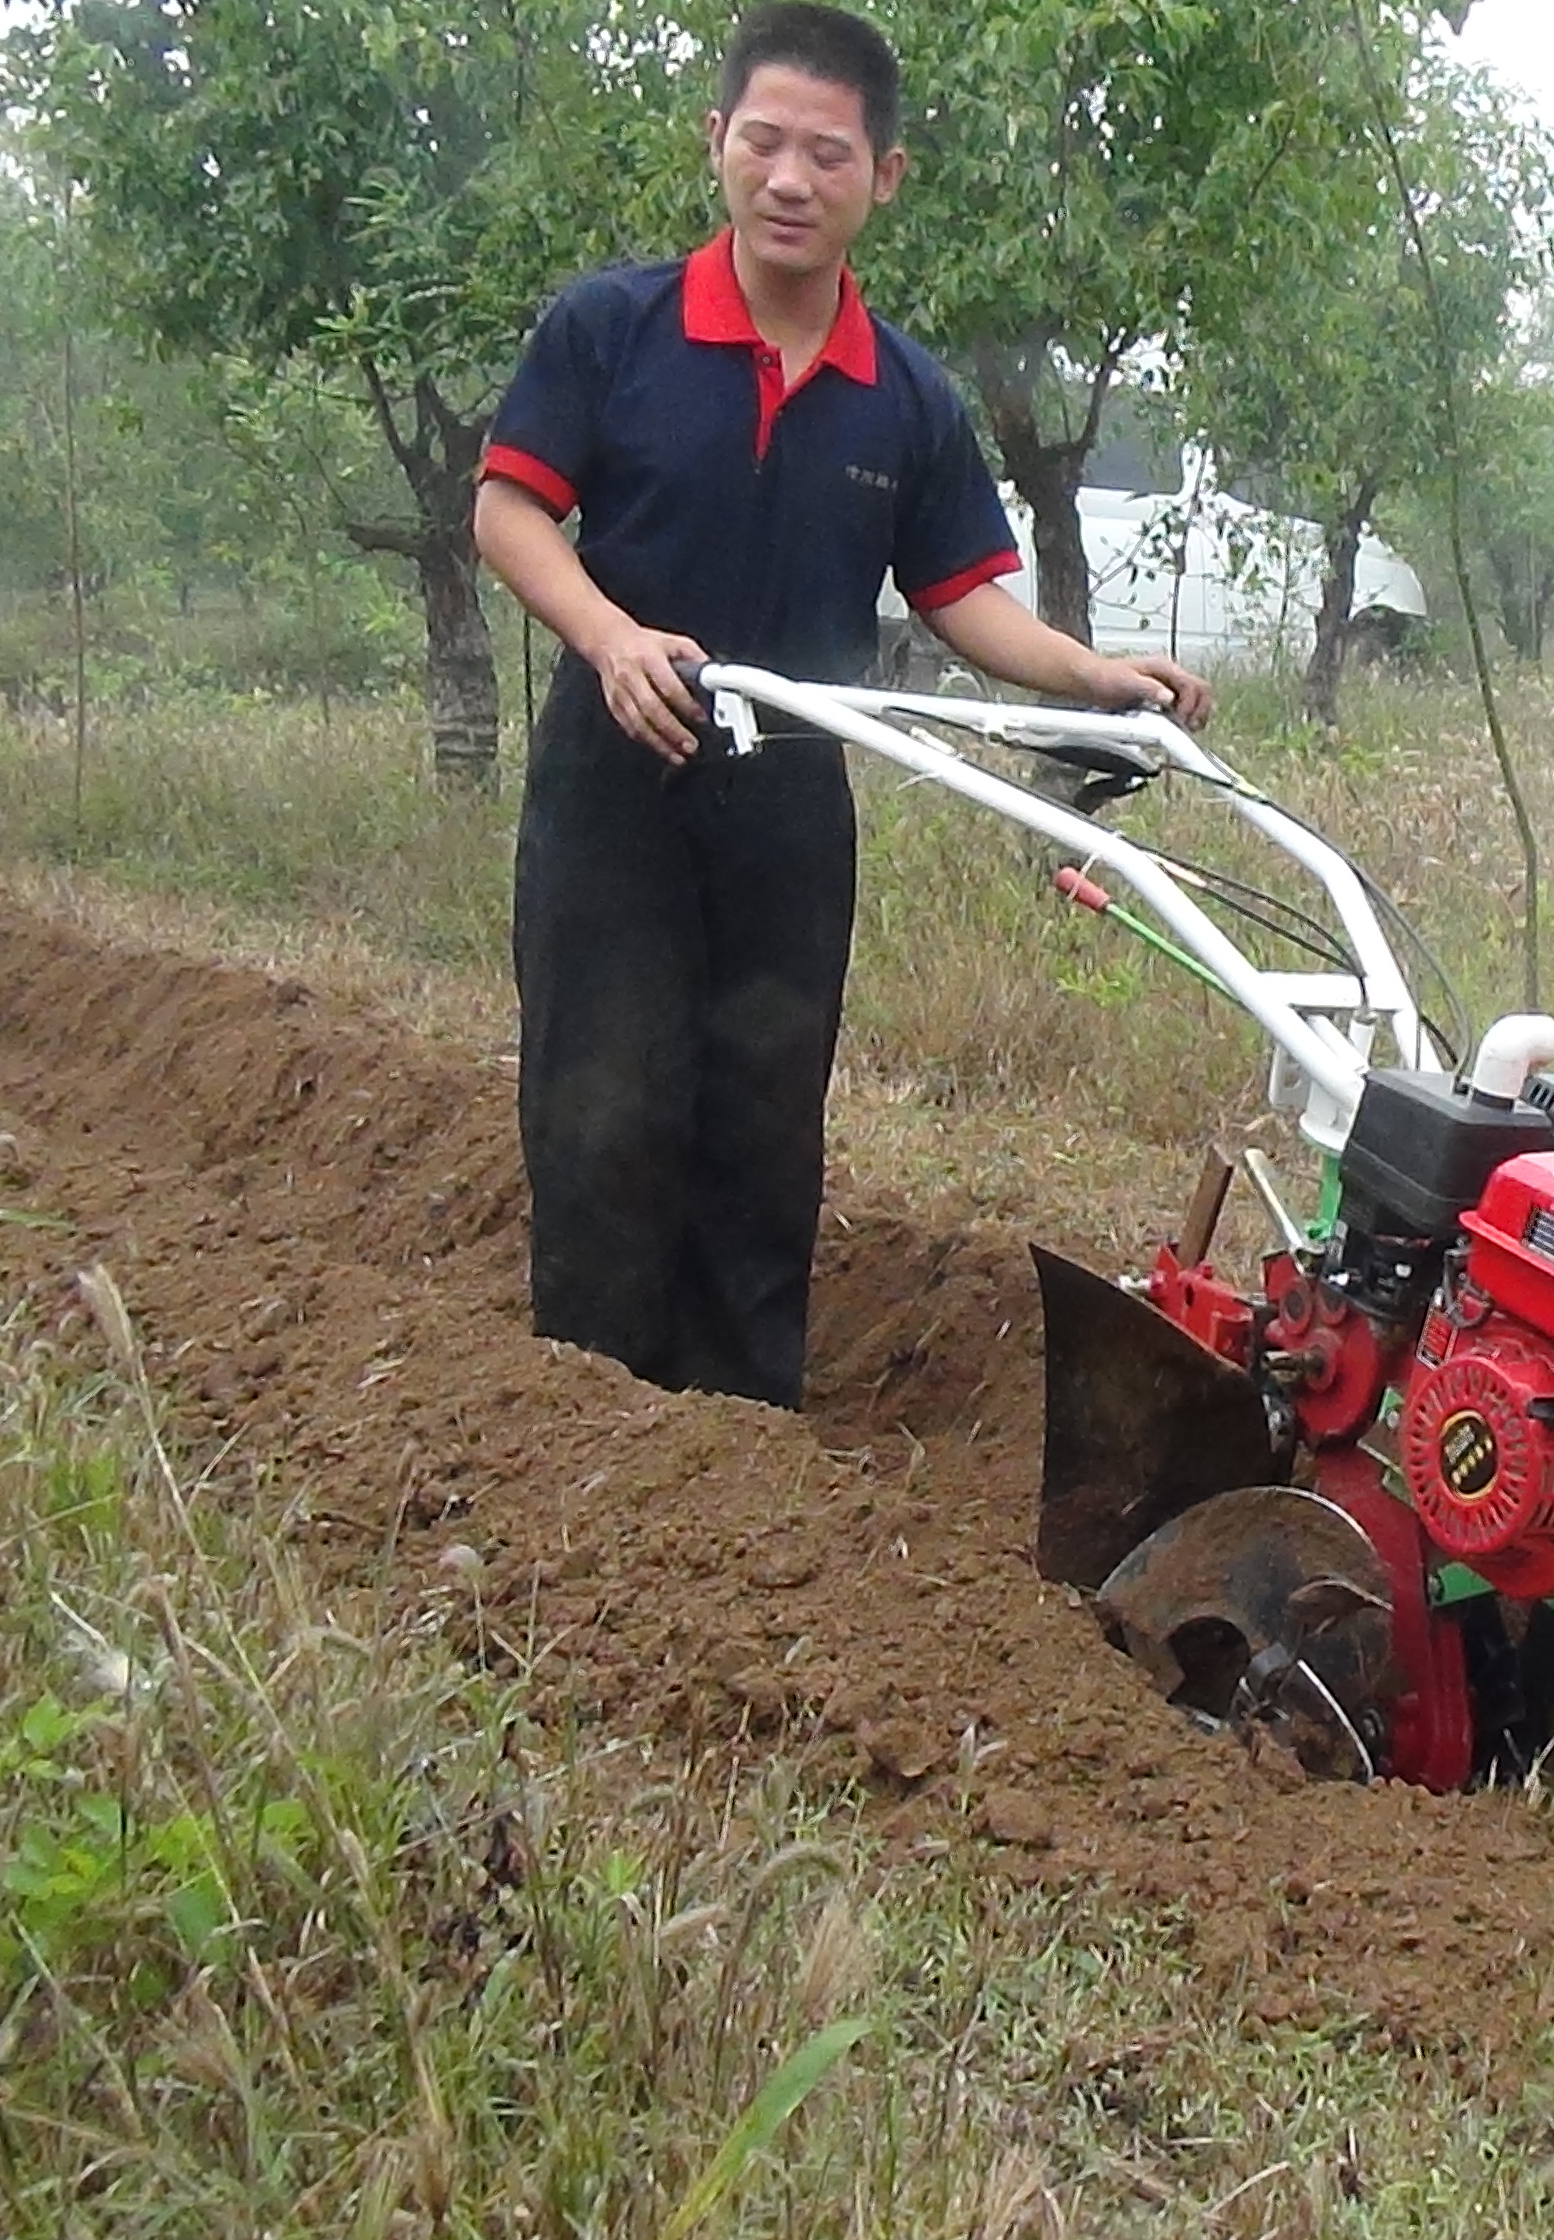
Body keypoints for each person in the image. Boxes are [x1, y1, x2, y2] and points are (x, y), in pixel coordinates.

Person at [474, 1, 1209, 1409]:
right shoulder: (613, 329)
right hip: (614, 787)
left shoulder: (904, 397)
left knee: (764, 1127)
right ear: (717, 142)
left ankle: (745, 1435)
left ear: (885, 176)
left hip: (793, 801)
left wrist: (1094, 677)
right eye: (764, 143)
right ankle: (591, 1425)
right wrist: (612, 640)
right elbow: (510, 511)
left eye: (827, 154)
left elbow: (961, 596)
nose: (790, 180)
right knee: (604, 1109)